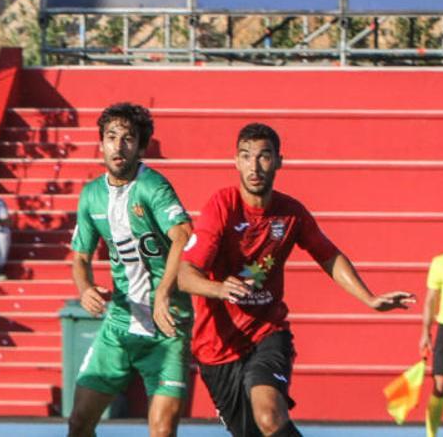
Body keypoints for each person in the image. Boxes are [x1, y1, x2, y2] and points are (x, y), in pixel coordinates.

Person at [178, 122, 415, 437]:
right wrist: (218, 288)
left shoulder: (291, 213)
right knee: (255, 432)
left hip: (267, 334)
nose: (255, 166)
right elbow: (185, 275)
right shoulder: (221, 207)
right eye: (246, 156)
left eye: (264, 157)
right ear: (235, 161)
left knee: (269, 417)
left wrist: (369, 298)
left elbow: (328, 255)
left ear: (278, 162)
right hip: (216, 347)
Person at [66, 103, 194, 437]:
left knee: (162, 430)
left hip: (167, 327)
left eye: (127, 139)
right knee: (79, 423)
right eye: (111, 138)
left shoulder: (153, 187)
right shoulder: (91, 195)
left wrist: (164, 293)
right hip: (120, 324)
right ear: (101, 143)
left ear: (140, 146)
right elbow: (80, 258)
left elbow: (183, 235)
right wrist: (85, 289)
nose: (118, 146)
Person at [422, 251, 443, 437]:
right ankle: (431, 435)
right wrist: (425, 332)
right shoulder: (439, 263)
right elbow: (431, 300)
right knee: (439, 385)